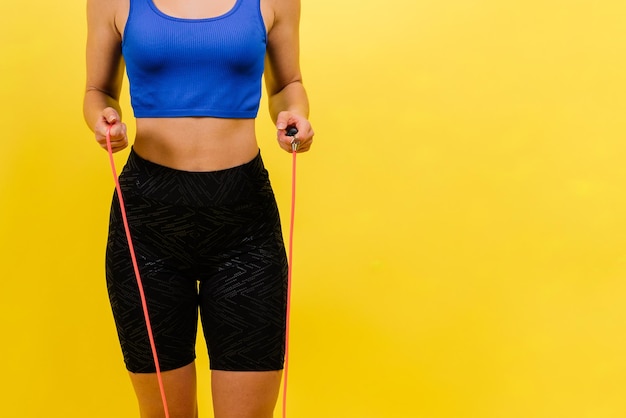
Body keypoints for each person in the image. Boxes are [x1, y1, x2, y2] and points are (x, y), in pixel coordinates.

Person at [83, 0, 314, 415]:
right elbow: (98, 91)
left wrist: (293, 115)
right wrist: (103, 117)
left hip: (244, 224)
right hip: (147, 221)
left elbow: (286, 84)